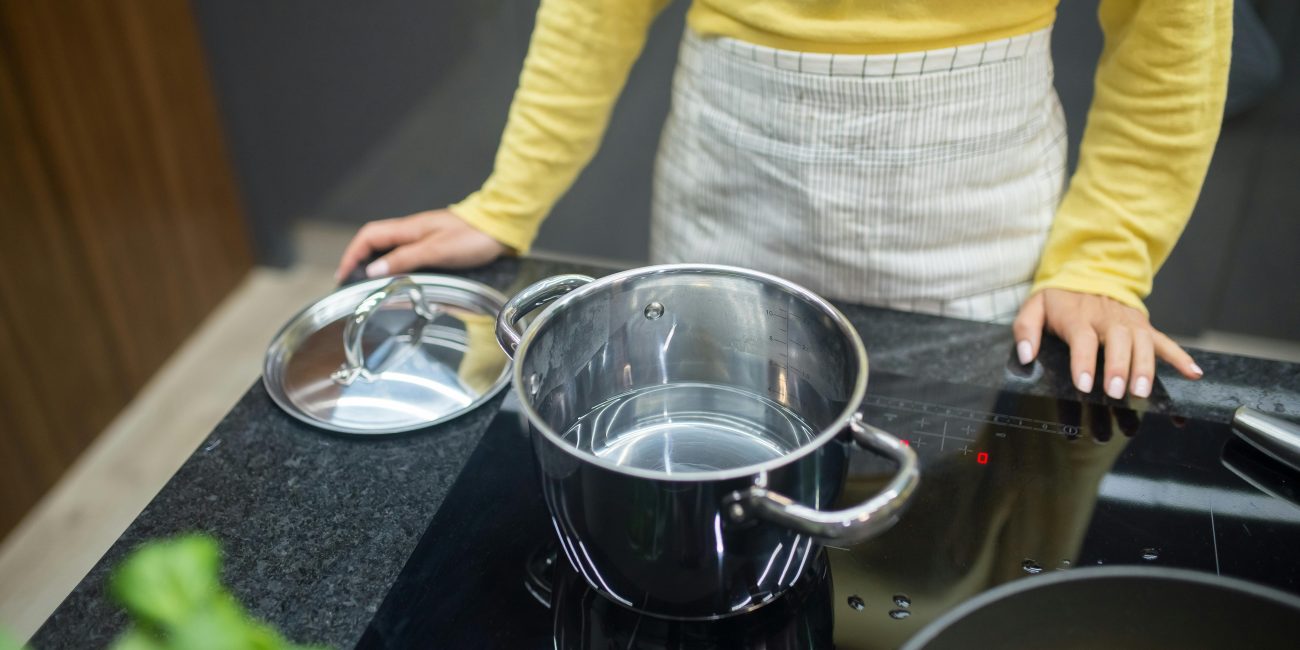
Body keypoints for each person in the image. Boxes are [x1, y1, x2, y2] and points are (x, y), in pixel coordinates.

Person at [335, 0, 1230, 400]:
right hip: (730, 176)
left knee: (948, 504)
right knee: (706, 461)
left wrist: (1105, 256)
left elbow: (1173, 26)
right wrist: (508, 198)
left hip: (975, 210)